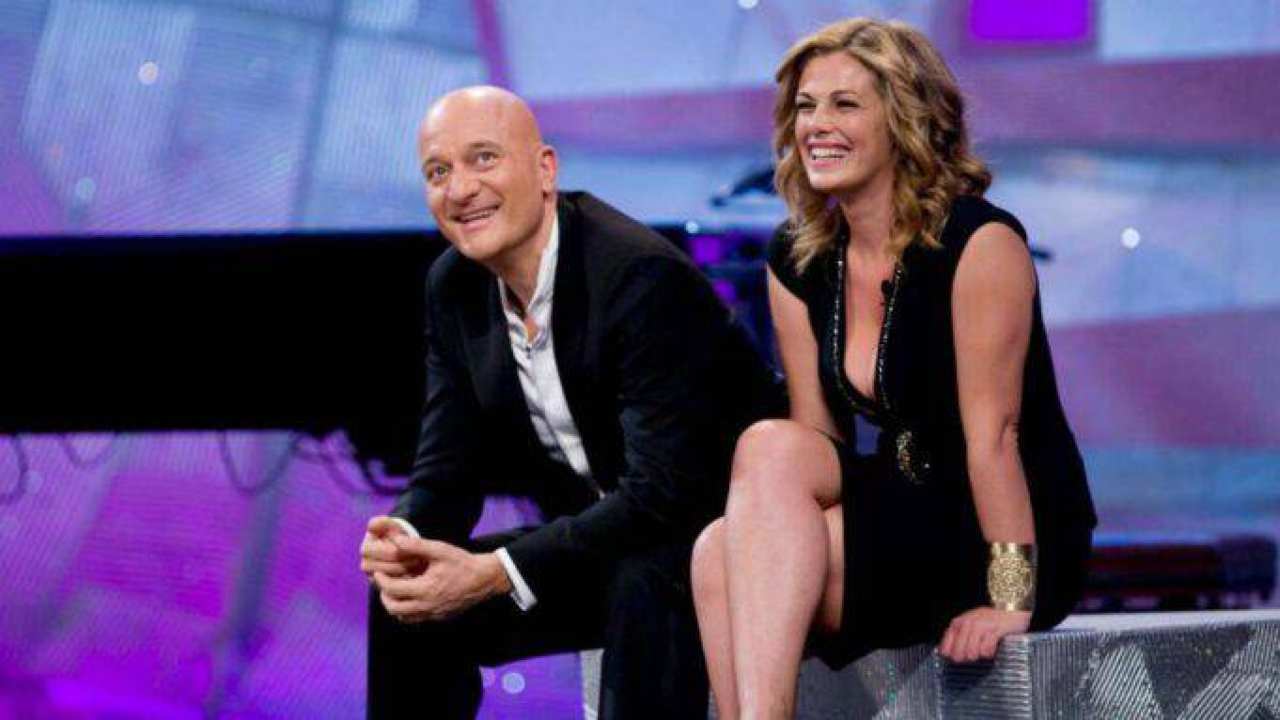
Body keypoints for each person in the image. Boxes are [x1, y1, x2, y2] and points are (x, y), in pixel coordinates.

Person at [689, 18, 1097, 719]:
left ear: (906, 119)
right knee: (722, 536)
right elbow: (816, 447)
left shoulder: (978, 242)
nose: (816, 125)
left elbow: (995, 438)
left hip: (1005, 524)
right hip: (901, 502)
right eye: (805, 107)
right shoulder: (799, 258)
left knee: (728, 555)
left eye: (844, 104)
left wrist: (1009, 597)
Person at [358, 85, 779, 720]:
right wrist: (406, 536)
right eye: (438, 172)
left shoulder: (636, 275)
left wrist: (497, 569)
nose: (460, 189)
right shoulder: (454, 285)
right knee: (406, 601)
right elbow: (446, 471)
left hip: (716, 537)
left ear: (545, 169)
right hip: (611, 537)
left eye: (483, 159)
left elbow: (664, 495)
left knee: (642, 577)